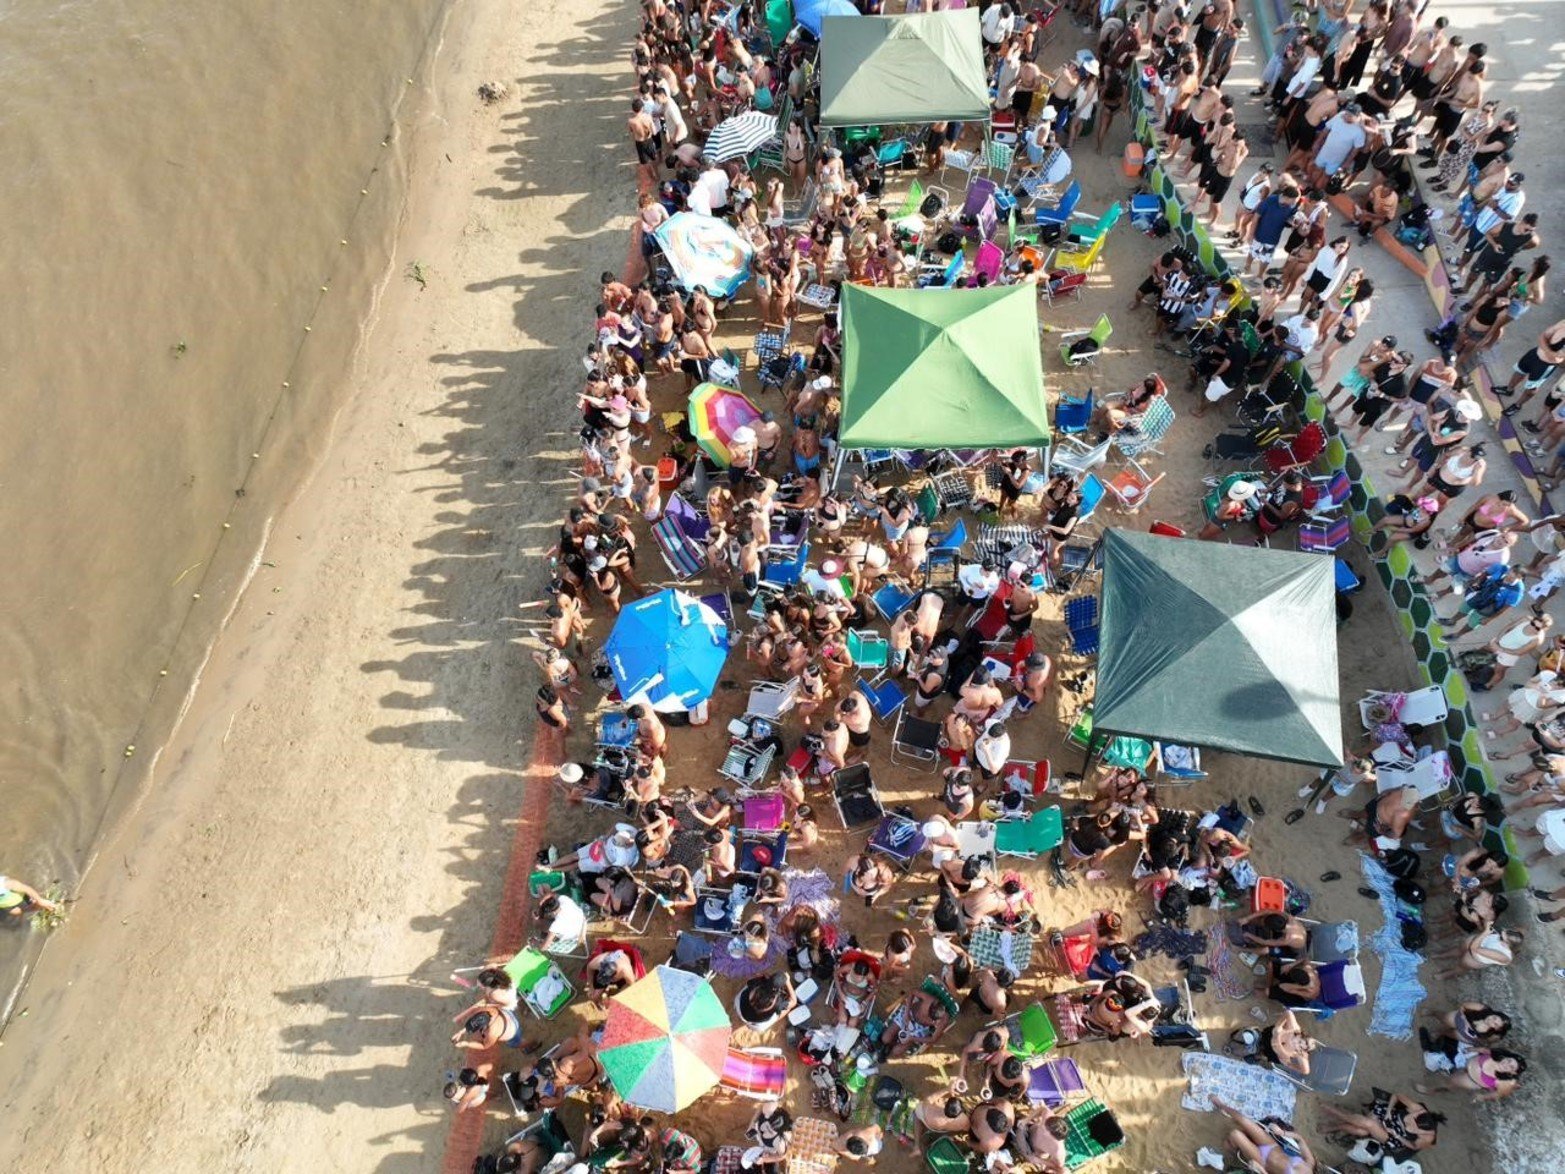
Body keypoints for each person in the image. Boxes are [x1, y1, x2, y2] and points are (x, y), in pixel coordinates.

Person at [1211, 1099, 1317, 1174]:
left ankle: (1231, 1149)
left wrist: (1260, 1170)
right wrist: (1281, 1133)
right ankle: (1221, 1105)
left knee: (1235, 1134)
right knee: (1244, 1120)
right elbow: (1299, 1139)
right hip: (1273, 1146)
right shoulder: (1310, 1164)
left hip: (1263, 1161)